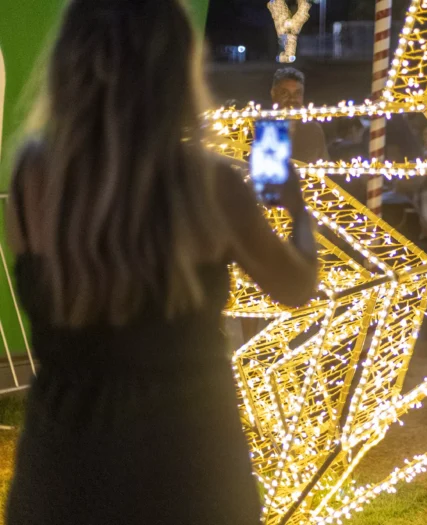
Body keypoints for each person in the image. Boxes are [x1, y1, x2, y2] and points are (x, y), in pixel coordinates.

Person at [4, 1, 319, 524]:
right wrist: (297, 209)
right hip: (190, 466)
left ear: (71, 60)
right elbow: (296, 286)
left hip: (64, 466)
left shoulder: (34, 177)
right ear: (175, 68)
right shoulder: (210, 184)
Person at [270, 67, 330, 163]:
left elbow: (324, 166)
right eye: (285, 93)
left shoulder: (313, 129)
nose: (292, 99)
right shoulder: (259, 128)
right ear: (273, 93)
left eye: (297, 94)